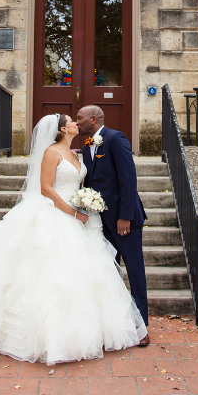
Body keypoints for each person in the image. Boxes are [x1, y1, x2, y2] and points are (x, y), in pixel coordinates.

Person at [0, 113, 147, 365]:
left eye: (78, 119)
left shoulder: (78, 153)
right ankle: (53, 337)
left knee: (88, 272)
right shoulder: (51, 152)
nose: (76, 122)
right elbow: (46, 188)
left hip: (82, 217)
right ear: (62, 129)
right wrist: (73, 212)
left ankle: (95, 328)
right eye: (72, 121)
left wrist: (86, 205)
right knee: (55, 275)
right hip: (59, 216)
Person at [77, 106, 150, 346]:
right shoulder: (87, 146)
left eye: (80, 118)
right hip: (101, 221)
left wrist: (125, 216)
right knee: (109, 273)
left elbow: (128, 179)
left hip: (123, 220)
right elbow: (92, 182)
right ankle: (117, 324)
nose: (77, 122)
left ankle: (141, 327)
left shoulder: (115, 138)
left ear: (93, 119)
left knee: (134, 270)